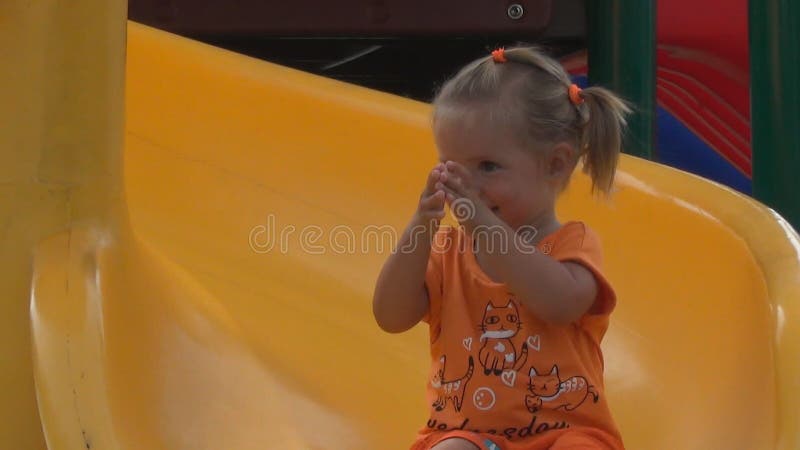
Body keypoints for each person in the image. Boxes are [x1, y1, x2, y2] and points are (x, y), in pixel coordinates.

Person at [372, 46, 631, 450]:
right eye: (452, 166)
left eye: (488, 167)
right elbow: (389, 315)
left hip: (565, 434)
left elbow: (559, 304)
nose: (467, 185)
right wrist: (421, 226)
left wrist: (482, 223)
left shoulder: (572, 245)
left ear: (556, 164)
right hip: (468, 434)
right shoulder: (449, 251)